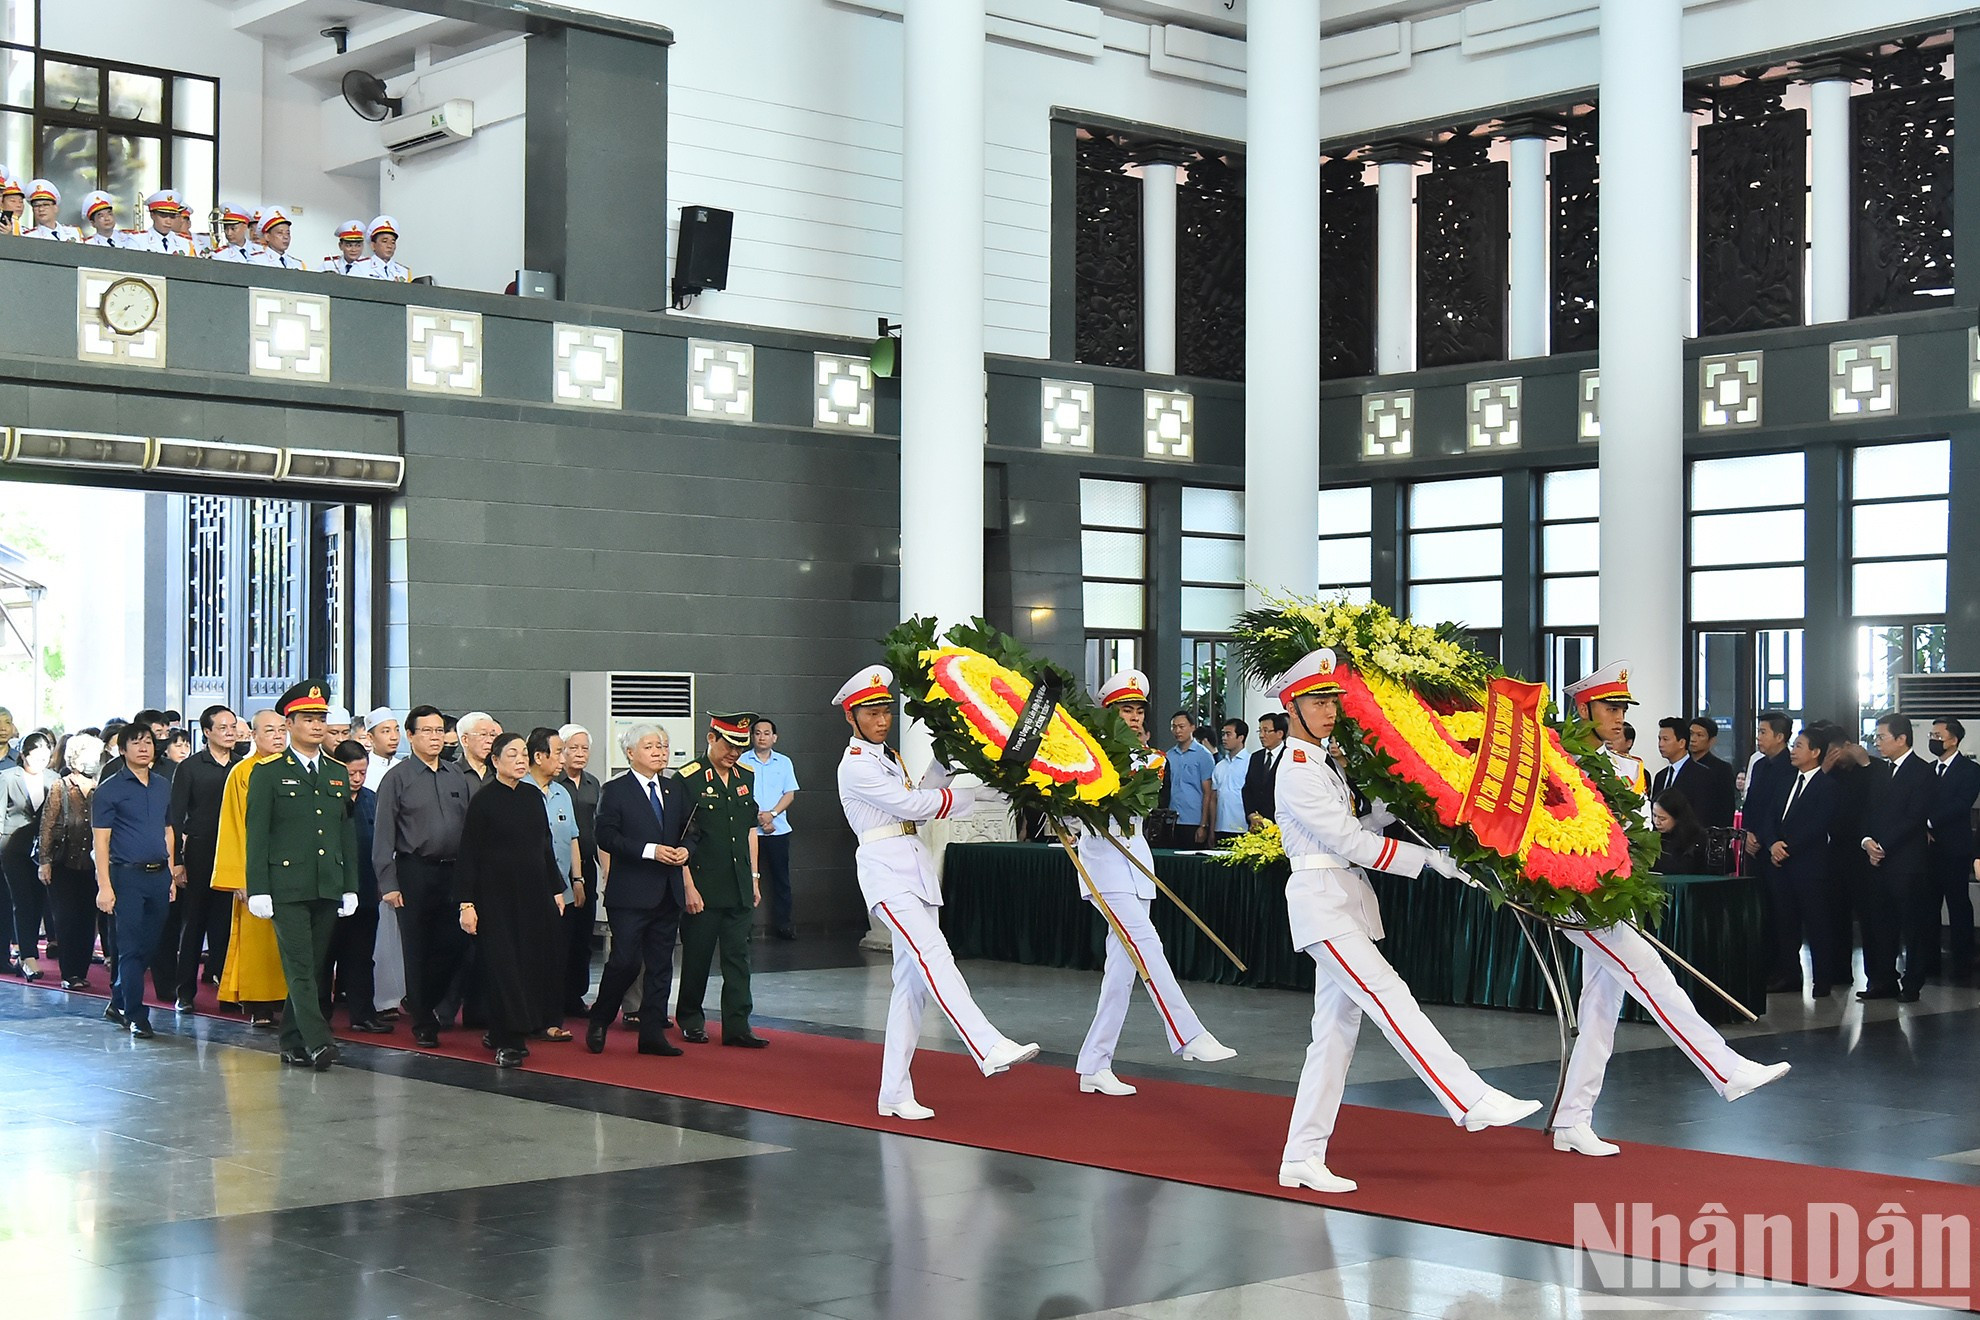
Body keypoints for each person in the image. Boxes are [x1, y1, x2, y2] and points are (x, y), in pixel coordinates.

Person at [1266, 648, 1536, 1193]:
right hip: (1323, 902)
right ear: (1291, 707)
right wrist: (1428, 860)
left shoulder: (1321, 765)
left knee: (1334, 1036)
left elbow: (1352, 824)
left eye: (1332, 701)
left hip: (1344, 900)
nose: (1329, 711)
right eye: (1317, 702)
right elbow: (1345, 842)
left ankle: (1301, 1155)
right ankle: (1467, 1098)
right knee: (1390, 996)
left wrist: (1393, 807)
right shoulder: (1296, 769)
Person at [1546, 660, 1791, 1159]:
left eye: (1622, 709)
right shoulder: (1559, 763)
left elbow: (1640, 836)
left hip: (1616, 893)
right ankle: (1724, 1068)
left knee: (1601, 1009)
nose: (1618, 718)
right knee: (1654, 977)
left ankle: (1573, 1118)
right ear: (1584, 709)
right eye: (1610, 708)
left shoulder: (1625, 770)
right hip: (1578, 895)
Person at [833, 665, 1039, 1120]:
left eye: (886, 709)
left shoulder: (888, 758)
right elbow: (908, 805)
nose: (881, 718)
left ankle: (893, 1093)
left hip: (914, 869)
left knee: (910, 989)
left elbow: (917, 808)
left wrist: (945, 760)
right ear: (851, 716)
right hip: (885, 872)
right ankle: (986, 1045)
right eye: (870, 712)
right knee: (934, 954)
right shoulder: (855, 765)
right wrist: (975, 796)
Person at [1072, 669, 1234, 1099]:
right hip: (1102, 863)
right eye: (1126, 709)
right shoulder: (1084, 758)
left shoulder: (1152, 758)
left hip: (1136, 861)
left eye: (1140, 710)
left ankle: (1095, 1063)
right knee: (1147, 943)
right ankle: (1187, 1032)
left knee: (1121, 971)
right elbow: (1073, 807)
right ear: (1109, 714)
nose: (1136, 717)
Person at [242, 682, 360, 1070]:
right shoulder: (269, 772)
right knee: (299, 966)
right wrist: (258, 888)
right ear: (289, 724)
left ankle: (291, 1041)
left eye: (321, 719)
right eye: (308, 719)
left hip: (326, 882)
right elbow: (257, 836)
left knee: (313, 964)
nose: (316, 725)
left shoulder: (337, 773)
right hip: (286, 886)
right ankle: (318, 1039)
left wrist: (350, 885)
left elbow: (345, 833)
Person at [457, 732, 568, 1067]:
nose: (520, 760)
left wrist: (555, 888)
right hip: (495, 898)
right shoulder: (484, 800)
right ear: (495, 761)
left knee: (529, 964)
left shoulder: (533, 797)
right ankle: (509, 1040)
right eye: (512, 755)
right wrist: (466, 903)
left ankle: (506, 1027)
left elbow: (544, 846)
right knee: (503, 966)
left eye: (523, 754)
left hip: (533, 895)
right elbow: (469, 855)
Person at [587, 723, 693, 1058]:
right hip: (630, 893)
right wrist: (649, 850)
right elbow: (605, 836)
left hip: (667, 890)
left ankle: (652, 1033)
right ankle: (601, 1017)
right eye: (651, 746)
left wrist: (686, 850)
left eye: (663, 745)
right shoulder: (615, 790)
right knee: (626, 961)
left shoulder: (675, 789)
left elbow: (692, 828)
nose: (660, 752)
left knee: (661, 965)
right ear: (631, 753)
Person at [373, 704, 473, 1048]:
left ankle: (424, 1002)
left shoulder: (454, 774)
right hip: (414, 870)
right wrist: (388, 882)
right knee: (416, 947)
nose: (435, 737)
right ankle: (422, 1020)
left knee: (455, 944)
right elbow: (383, 833)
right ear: (411, 736)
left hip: (454, 871)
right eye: (426, 731)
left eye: (439, 730)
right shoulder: (397, 778)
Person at [674, 713, 767, 1049]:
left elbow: (748, 829)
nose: (734, 753)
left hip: (739, 882)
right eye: (728, 745)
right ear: (711, 738)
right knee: (697, 957)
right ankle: (690, 1019)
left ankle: (738, 1025)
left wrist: (754, 878)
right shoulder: (689, 779)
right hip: (703, 884)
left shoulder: (747, 776)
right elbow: (678, 837)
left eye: (741, 747)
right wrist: (687, 885)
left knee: (738, 957)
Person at [90, 724, 174, 1039]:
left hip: (159, 874)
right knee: (129, 948)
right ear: (122, 750)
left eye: (148, 742)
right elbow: (101, 842)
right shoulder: (110, 789)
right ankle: (135, 1014)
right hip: (126, 876)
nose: (143, 747)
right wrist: (104, 885)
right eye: (135, 743)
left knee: (148, 947)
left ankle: (117, 1000)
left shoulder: (163, 784)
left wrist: (172, 871)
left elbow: (168, 829)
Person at [212, 709, 291, 1026]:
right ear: (254, 736)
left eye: (281, 729)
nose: (277, 736)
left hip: (293, 868)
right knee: (258, 939)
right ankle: (259, 1005)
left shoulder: (297, 769)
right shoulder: (242, 773)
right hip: (258, 870)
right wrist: (241, 877)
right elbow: (232, 826)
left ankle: (291, 1000)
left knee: (291, 939)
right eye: (269, 730)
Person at [164, 705, 239, 1010]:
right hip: (199, 851)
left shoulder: (242, 766)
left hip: (232, 853)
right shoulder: (190, 767)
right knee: (193, 924)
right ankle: (185, 991)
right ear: (207, 732)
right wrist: (177, 862)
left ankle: (228, 989)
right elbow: (176, 816)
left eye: (233, 726)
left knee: (226, 925)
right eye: (223, 727)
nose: (230, 732)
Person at [1860, 712, 1935, 1002]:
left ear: (1902, 738)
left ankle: (1912, 983)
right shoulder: (1879, 771)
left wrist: (1883, 845)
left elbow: (1915, 816)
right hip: (1876, 862)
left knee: (1912, 926)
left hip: (1907, 863)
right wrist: (1867, 841)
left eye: (1882, 737)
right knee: (1880, 925)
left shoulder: (1922, 770)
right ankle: (1883, 980)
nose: (1877, 743)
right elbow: (1866, 811)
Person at [323, 739, 390, 1033]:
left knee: (362, 956)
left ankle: (363, 1013)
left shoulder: (372, 799)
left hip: (365, 888)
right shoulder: (324, 798)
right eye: (352, 773)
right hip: (331, 892)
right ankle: (319, 1016)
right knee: (325, 957)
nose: (358, 779)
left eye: (363, 772)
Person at [1769, 724, 1841, 996]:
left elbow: (1818, 825)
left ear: (1815, 752)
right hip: (1781, 864)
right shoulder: (1786, 780)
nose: (1793, 751)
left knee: (1817, 924)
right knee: (1785, 924)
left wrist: (1787, 847)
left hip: (1810, 866)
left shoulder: (1827, 786)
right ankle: (1789, 975)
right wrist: (1773, 842)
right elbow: (1772, 816)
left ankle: (1822, 980)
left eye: (1799, 746)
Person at [524, 727, 579, 1041]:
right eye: (558, 752)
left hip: (562, 891)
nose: (563, 758)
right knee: (530, 957)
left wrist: (578, 879)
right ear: (539, 756)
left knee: (556, 957)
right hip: (529, 891)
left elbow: (571, 838)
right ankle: (527, 1017)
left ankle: (551, 1018)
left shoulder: (562, 793)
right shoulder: (521, 790)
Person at [40, 733, 104, 989]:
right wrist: (44, 860)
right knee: (67, 917)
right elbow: (48, 824)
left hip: (93, 864)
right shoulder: (61, 786)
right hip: (64, 862)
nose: (95, 761)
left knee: (88, 917)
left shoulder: (101, 786)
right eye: (91, 755)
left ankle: (81, 970)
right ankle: (69, 973)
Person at [1820, 723, 1876, 994]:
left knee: (1868, 915)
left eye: (1834, 751)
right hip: (1834, 851)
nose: (1831, 757)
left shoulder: (1870, 769)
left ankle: (1874, 974)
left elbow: (1876, 798)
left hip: (1862, 850)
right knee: (1835, 914)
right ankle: (1839, 971)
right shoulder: (1829, 775)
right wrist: (1825, 771)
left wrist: (1865, 765)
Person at [1743, 712, 1795, 991]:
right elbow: (1751, 805)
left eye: (1763, 732)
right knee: (1761, 911)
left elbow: (1778, 811)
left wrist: (1763, 836)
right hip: (1755, 847)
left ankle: (1786, 970)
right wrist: (1748, 832)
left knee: (1781, 913)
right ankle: (1765, 967)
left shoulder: (1790, 767)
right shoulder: (1760, 765)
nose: (1758, 738)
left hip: (1776, 849)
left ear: (1780, 736)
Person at [1925, 718, 1980, 981]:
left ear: (1953, 739)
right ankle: (1929, 960)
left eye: (1938, 735)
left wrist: (1929, 822)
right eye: (1932, 734)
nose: (1933, 739)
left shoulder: (1970, 770)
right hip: (1927, 848)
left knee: (1957, 904)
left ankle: (1962, 960)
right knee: (1928, 904)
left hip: (1954, 847)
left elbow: (1960, 804)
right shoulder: (1928, 769)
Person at [1, 731, 57, 979]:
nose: (41, 761)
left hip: (43, 849)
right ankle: (28, 956)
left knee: (39, 902)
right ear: (23, 755)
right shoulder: (7, 777)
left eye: (46, 756)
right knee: (22, 901)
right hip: (12, 848)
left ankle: (29, 951)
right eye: (35, 756)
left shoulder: (55, 778)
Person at [556, 723, 602, 1014]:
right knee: (561, 934)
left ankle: (576, 994)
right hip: (559, 869)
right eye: (574, 748)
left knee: (583, 936)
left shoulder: (593, 783)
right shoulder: (553, 782)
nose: (580, 754)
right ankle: (556, 994)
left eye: (585, 748)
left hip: (588, 864)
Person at [744, 717, 800, 940]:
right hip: (750, 830)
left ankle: (783, 925)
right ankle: (744, 928)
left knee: (781, 880)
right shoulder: (741, 760)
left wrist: (772, 815)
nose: (762, 737)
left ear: (774, 737)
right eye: (757, 733)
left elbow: (790, 794)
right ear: (752, 736)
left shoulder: (784, 762)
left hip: (779, 829)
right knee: (747, 879)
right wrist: (757, 817)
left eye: (767, 733)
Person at [1161, 711, 1215, 848]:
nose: (1177, 731)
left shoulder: (1204, 755)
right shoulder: (1169, 755)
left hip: (1194, 821)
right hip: (1172, 819)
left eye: (1181, 726)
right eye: (1174, 727)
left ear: (1192, 727)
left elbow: (1208, 793)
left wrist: (1203, 825)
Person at [1685, 717, 1736, 830]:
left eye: (1700, 735)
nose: (1693, 739)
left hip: (1709, 832)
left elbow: (1727, 808)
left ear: (1712, 740)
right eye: (1691, 734)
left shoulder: (1722, 769)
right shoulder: (1681, 766)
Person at [1242, 712, 1288, 825]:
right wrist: (1251, 814)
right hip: (1258, 825)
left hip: (1282, 825)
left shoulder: (1289, 756)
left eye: (1266, 731)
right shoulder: (1256, 757)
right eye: (1260, 731)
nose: (1261, 735)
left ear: (1280, 733)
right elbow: (1248, 788)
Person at [1211, 718, 1252, 841]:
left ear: (1241, 737)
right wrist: (1211, 829)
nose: (1224, 738)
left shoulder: (1251, 762)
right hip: (1220, 827)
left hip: (1242, 827)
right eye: (1223, 734)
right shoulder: (1219, 766)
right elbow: (1214, 799)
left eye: (1228, 734)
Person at [1650, 790, 1708, 875]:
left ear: (1677, 818)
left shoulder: (1697, 839)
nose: (1656, 822)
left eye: (1662, 819)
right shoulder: (1653, 837)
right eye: (1654, 815)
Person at [124, 192, 195, 256]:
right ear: (152, 215)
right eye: (163, 215)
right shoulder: (137, 240)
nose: (168, 221)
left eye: (172, 216)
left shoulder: (185, 243)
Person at [352, 215, 411, 281]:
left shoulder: (403, 272)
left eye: (393, 242)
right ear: (373, 245)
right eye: (384, 241)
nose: (389, 246)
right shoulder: (360, 267)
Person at [457, 711, 500, 786]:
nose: (490, 741)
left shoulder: (500, 772)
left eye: (492, 735)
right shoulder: (452, 773)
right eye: (483, 734)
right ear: (465, 740)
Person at [364, 707, 401, 786]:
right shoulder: (363, 770)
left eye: (397, 730)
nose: (394, 737)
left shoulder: (404, 768)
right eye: (386, 731)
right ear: (370, 737)